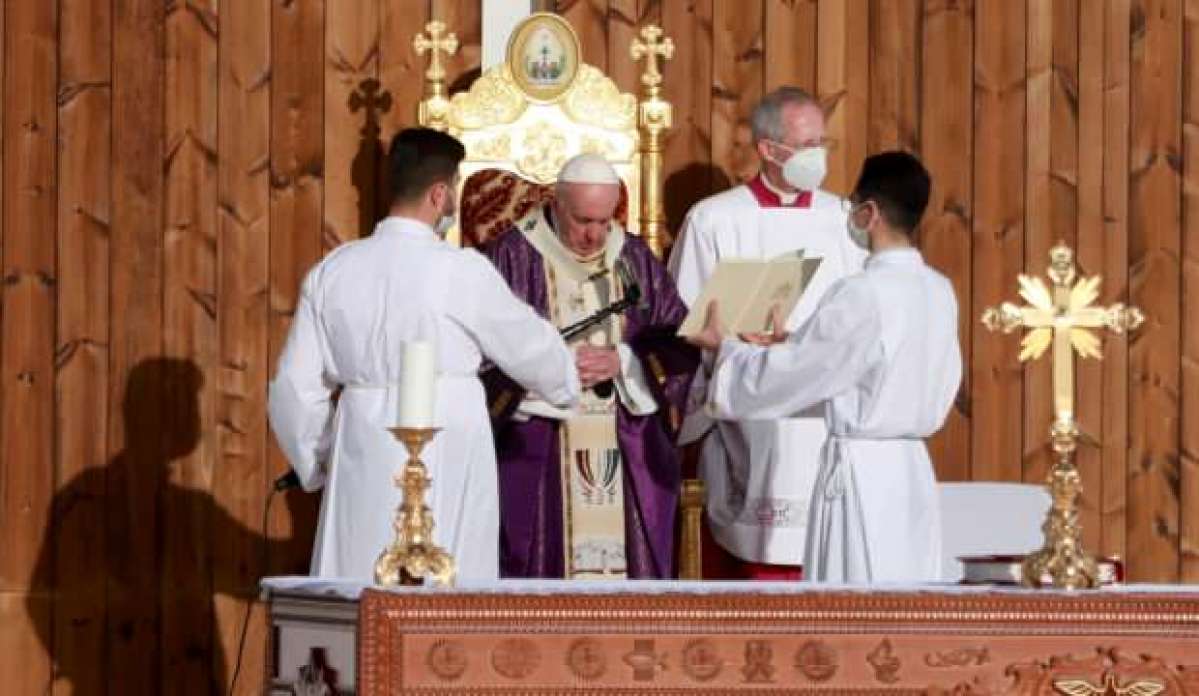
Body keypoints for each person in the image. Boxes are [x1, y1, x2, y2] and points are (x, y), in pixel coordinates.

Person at [268, 127, 579, 581]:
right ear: (439, 194)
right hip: (447, 437)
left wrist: (318, 464)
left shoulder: (333, 272)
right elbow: (530, 347)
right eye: (454, 189)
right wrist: (565, 380)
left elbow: (294, 389)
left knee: (360, 579)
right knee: (449, 579)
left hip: (363, 439)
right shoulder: (460, 270)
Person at [688, 151, 961, 583]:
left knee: (853, 604)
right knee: (909, 599)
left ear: (869, 213)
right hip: (911, 474)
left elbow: (796, 376)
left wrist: (728, 351)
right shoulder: (938, 289)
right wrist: (792, 344)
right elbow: (867, 367)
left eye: (854, 205)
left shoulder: (862, 292)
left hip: (862, 475)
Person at [667, 86, 868, 579]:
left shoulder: (844, 219)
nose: (817, 157)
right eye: (805, 146)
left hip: (823, 411)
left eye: (823, 143)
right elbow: (685, 321)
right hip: (751, 407)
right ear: (767, 149)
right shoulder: (715, 219)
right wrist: (736, 342)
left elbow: (864, 312)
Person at [483, 153, 699, 579]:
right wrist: (551, 368)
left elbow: (677, 340)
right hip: (541, 438)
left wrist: (625, 361)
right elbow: (482, 352)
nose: (595, 235)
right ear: (556, 203)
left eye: (604, 221)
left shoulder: (634, 257)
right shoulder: (511, 256)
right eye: (583, 220)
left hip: (623, 436)